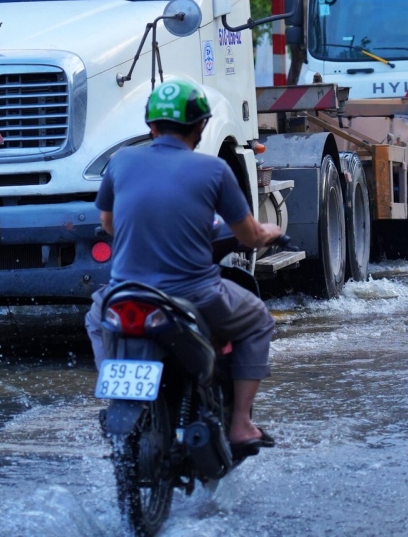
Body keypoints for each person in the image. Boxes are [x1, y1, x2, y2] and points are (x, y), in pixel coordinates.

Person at [85, 78, 282, 450]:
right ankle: (240, 424)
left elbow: (108, 224)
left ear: (151, 126)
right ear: (201, 126)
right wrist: (270, 232)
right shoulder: (214, 171)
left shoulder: (120, 161)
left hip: (125, 293)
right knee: (258, 320)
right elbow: (250, 236)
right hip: (194, 294)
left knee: (96, 318)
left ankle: (117, 396)